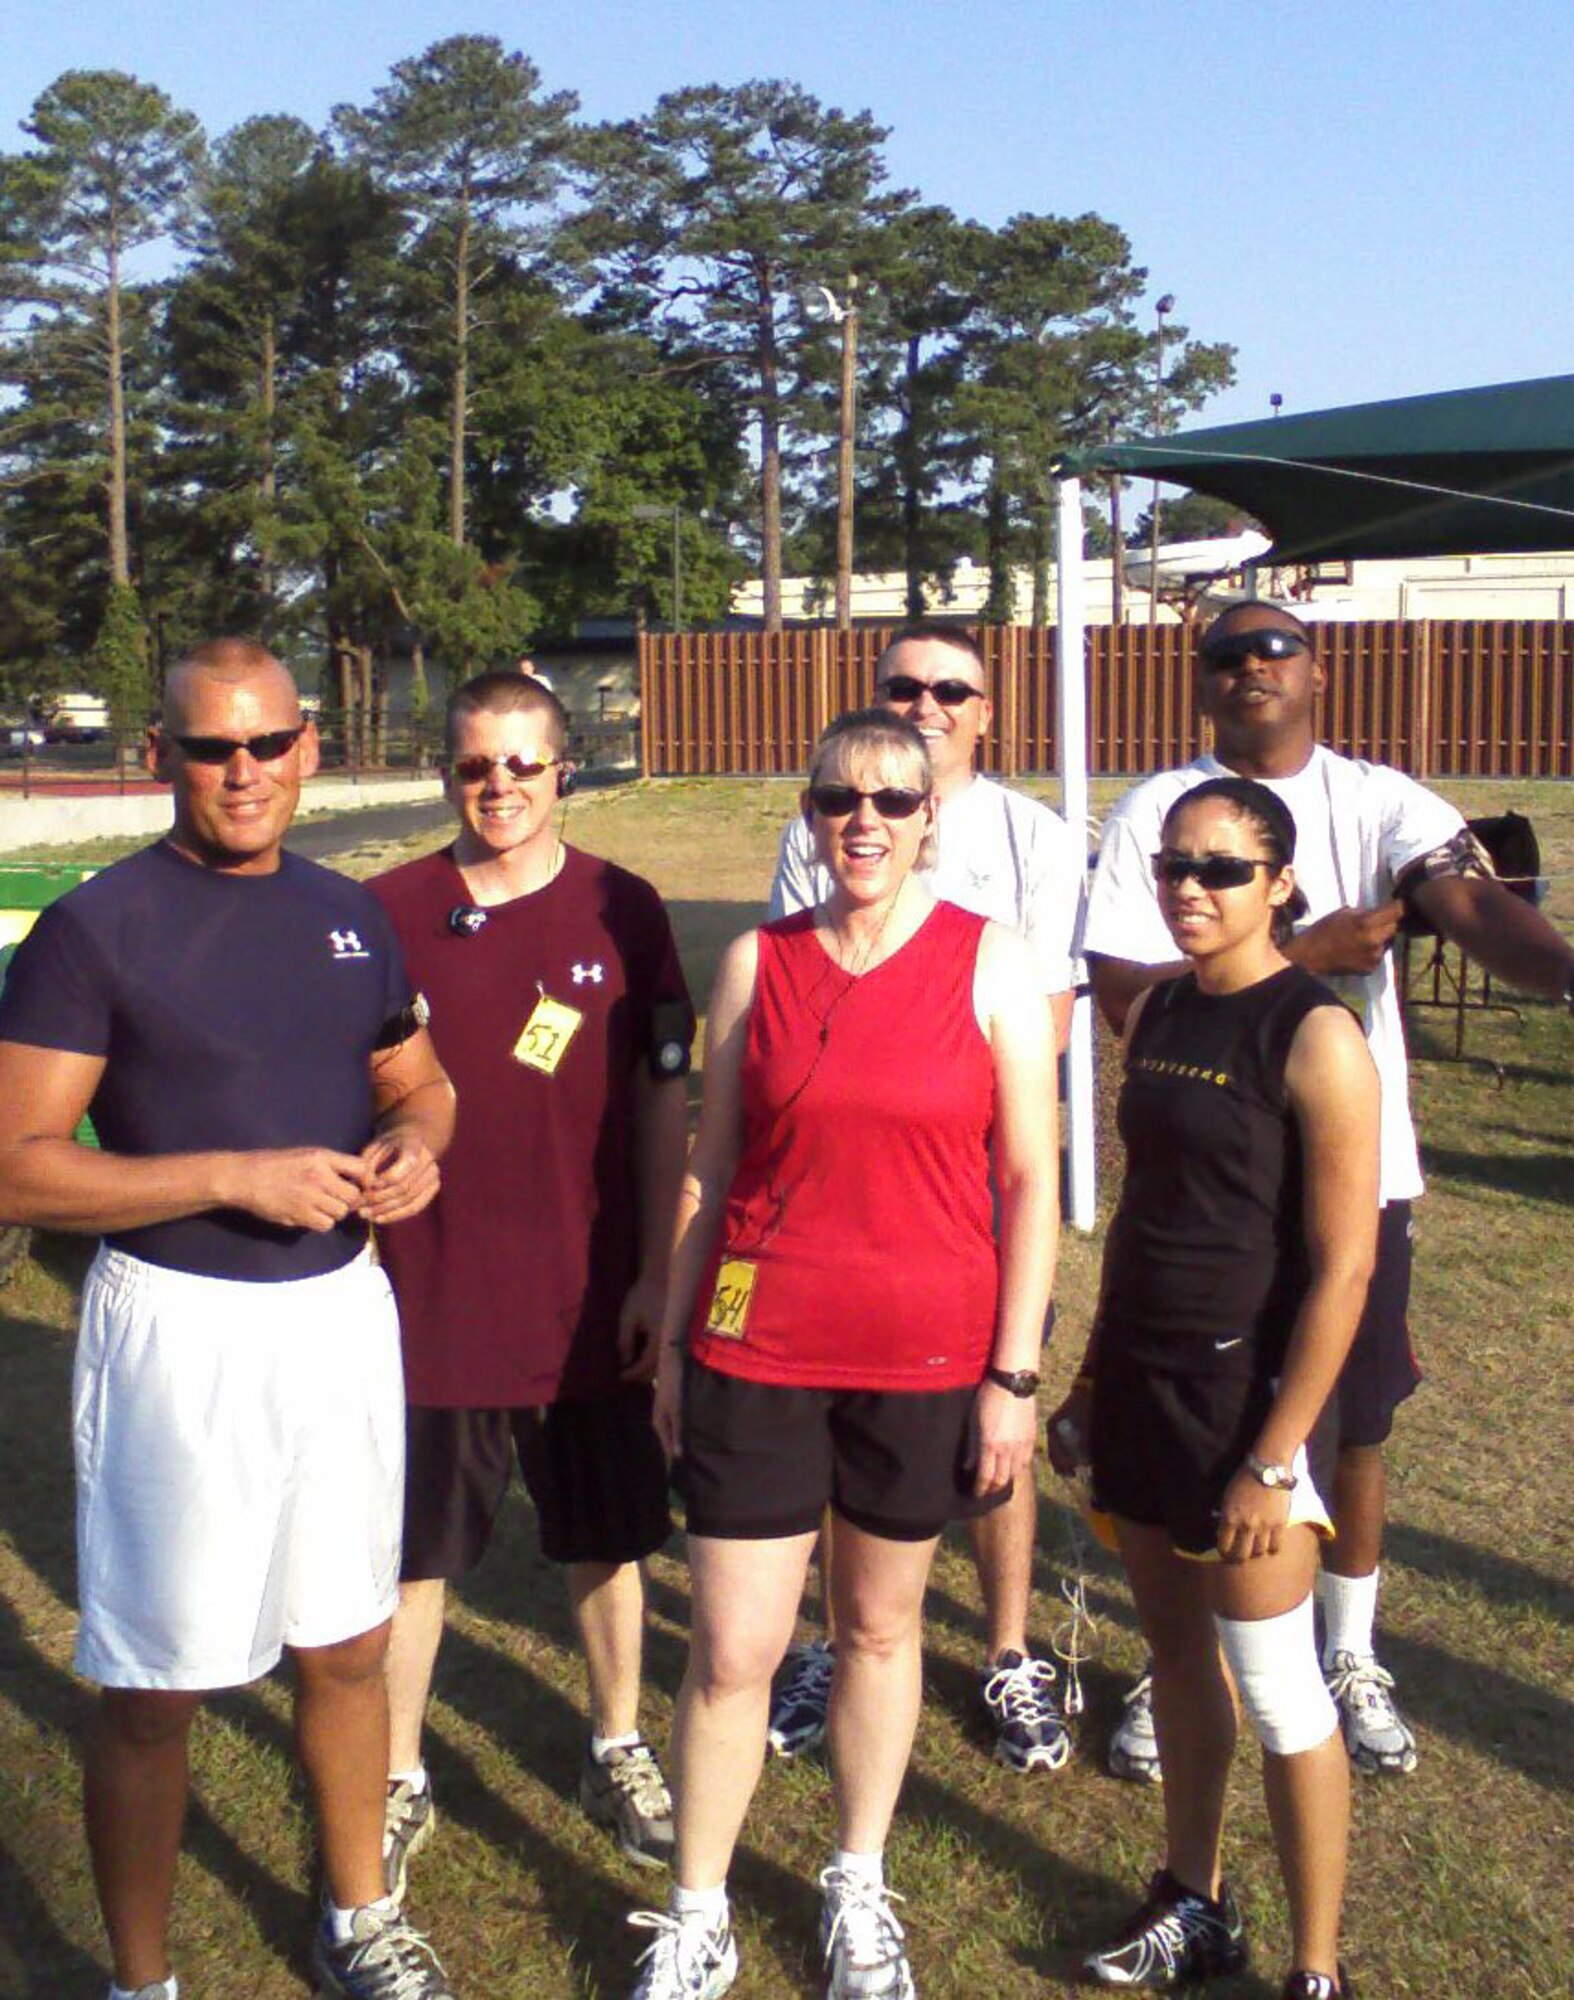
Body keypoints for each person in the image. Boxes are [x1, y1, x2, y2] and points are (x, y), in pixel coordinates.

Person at [0, 641, 459, 2000]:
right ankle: (141, 1984)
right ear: (163, 758)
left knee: (350, 1642)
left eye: (268, 743)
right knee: (154, 1685)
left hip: (336, 1321)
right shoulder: (97, 926)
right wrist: (226, 1175)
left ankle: (357, 1917)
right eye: (212, 747)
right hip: (176, 1333)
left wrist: (419, 1147)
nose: (243, 771)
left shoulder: (350, 913)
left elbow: (419, 1083)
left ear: (308, 747)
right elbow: (17, 1163)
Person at [1081, 599, 1574, 1785]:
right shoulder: (1158, 808)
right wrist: (1302, 957)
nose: (1250, 665)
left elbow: (1470, 903)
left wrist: (1565, 972)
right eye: (1224, 654)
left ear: (1316, 667)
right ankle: (1180, 1658)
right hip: (1207, 1181)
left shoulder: (1383, 799)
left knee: (1349, 1422)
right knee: (1186, 1419)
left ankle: (1346, 1653)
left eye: (1273, 647)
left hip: (1356, 1171)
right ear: (1197, 681)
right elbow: (1118, 986)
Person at [624, 708, 1058, 2000]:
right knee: (733, 1650)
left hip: (925, 1358)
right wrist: (673, 1350)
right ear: (808, 817)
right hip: (760, 1350)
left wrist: (1014, 1374)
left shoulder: (995, 964)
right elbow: (708, 1164)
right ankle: (696, 1909)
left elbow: (1030, 1182)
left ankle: (857, 1883)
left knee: (877, 1631)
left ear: (932, 820)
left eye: (888, 799)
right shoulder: (758, 965)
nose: (860, 821)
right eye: (834, 800)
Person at [1053, 776, 1378, 2000]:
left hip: (1251, 1405)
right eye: (1174, 867)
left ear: (1277, 884)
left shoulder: (1314, 1035)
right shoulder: (1158, 1013)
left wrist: (1275, 1453)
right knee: (1176, 1657)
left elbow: (1343, 1265)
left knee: (1282, 1683)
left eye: (1221, 870)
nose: (1188, 889)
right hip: (1142, 1378)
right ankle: (1193, 1897)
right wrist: (1087, 1374)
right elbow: (1138, 1217)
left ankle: (1312, 1963)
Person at [370, 669, 693, 1887]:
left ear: (565, 768)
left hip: (587, 1291)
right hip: (429, 1290)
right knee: (414, 1553)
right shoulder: (384, 910)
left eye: (521, 763)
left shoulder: (627, 906)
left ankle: (615, 1739)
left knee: (606, 1539)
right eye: (472, 765)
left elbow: (665, 1093)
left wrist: (656, 1269)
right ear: (445, 770)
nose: (496, 786)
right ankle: (399, 1768)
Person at [767, 623, 1084, 1775]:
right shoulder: (819, 821)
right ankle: (822, 1640)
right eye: (903, 684)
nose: (927, 702)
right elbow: (789, 990)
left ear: (986, 711)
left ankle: (1004, 1647)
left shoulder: (1034, 838)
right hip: (832, 1203)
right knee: (816, 1426)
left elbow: (1035, 1035)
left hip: (967, 1188)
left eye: (952, 688)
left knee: (991, 1434)